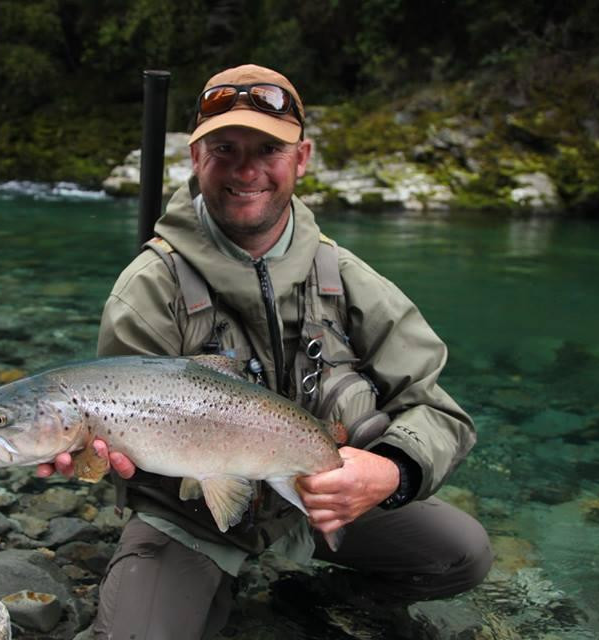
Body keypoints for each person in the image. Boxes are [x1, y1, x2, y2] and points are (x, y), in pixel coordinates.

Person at [39, 63, 493, 639]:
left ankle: (309, 597)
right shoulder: (148, 288)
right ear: (196, 157)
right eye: (225, 147)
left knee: (462, 553)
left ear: (300, 159)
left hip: (319, 500)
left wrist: (390, 470)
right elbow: (117, 449)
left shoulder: (347, 278)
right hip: (194, 522)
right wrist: (90, 458)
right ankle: (215, 584)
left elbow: (439, 410)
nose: (246, 169)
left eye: (268, 149)